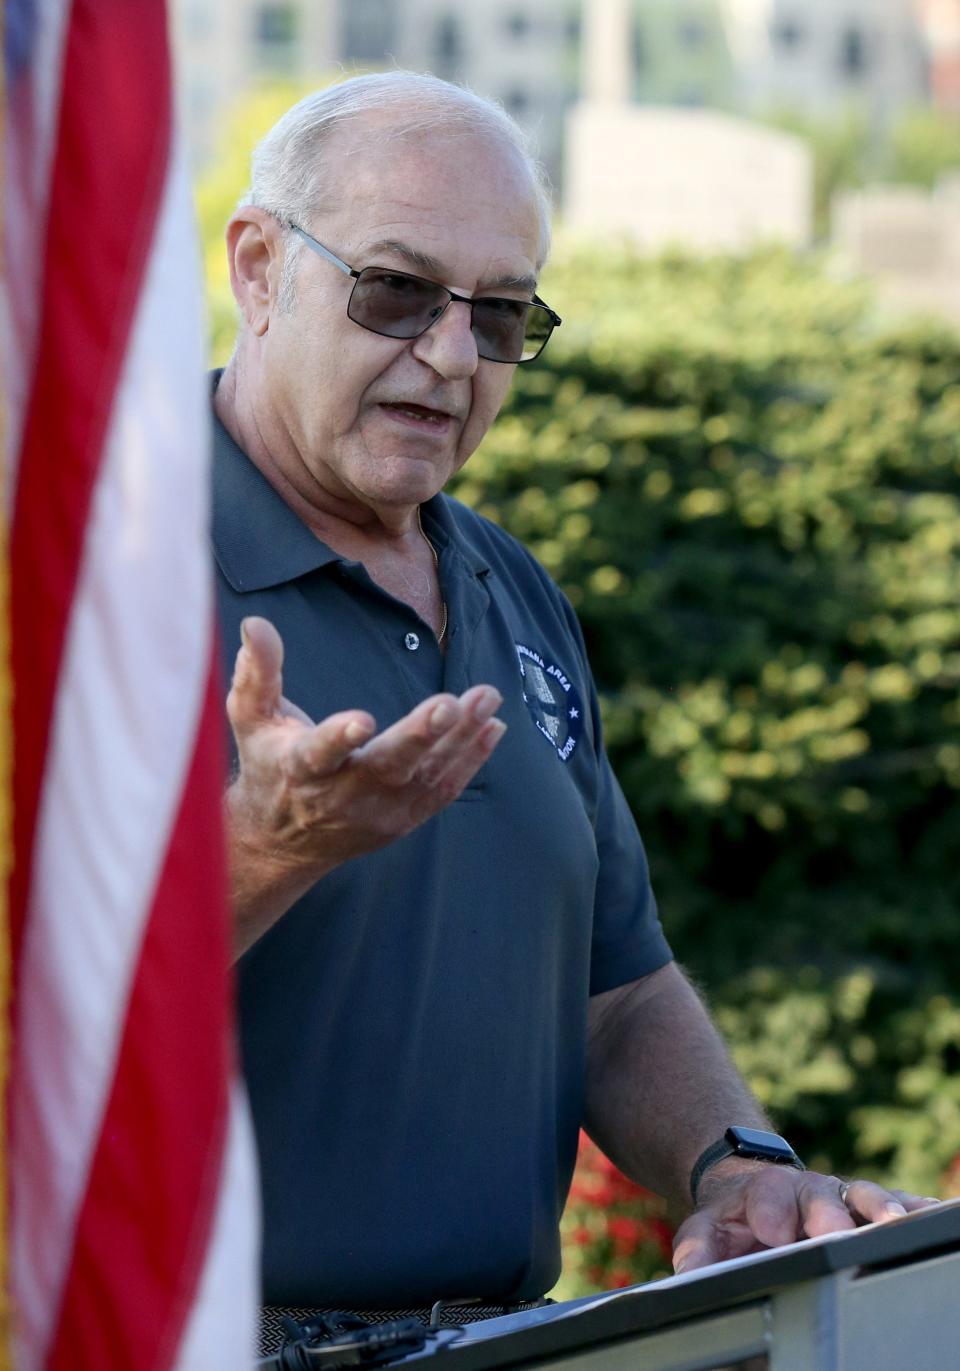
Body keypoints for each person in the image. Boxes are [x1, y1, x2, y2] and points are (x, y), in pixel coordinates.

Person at [211, 72, 935, 1344]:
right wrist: (268, 849)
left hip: (504, 1335)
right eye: (396, 290)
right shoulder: (82, 570)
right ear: (260, 269)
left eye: (498, 316)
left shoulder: (509, 586)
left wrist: (733, 1163)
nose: (448, 356)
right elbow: (34, 1000)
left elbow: (619, 987)